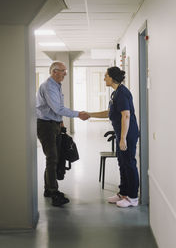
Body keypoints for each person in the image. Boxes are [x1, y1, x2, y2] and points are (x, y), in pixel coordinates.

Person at [36, 61, 89, 207]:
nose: (65, 73)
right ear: (54, 71)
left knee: (54, 157)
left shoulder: (56, 85)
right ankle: (54, 192)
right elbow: (58, 108)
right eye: (63, 71)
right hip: (45, 126)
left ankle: (48, 189)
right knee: (52, 157)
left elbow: (56, 110)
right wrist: (78, 114)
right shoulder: (48, 86)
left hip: (54, 124)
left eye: (65, 71)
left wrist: (61, 124)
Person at [88, 66, 139, 208]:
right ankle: (123, 193)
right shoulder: (116, 93)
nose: (104, 78)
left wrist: (123, 138)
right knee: (122, 163)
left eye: (106, 75)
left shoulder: (122, 93)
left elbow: (126, 115)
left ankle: (133, 197)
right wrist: (89, 114)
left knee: (129, 163)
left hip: (127, 134)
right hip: (121, 133)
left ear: (112, 77)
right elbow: (109, 113)